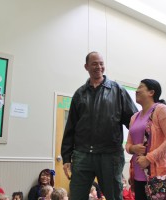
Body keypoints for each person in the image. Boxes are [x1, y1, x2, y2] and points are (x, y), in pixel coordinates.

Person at [61, 52, 137, 200]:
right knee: (76, 196)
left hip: (110, 156)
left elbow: (133, 121)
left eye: (101, 63)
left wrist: (139, 144)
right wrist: (66, 158)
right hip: (82, 155)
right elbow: (70, 127)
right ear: (86, 67)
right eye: (94, 63)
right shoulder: (79, 94)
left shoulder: (117, 91)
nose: (99, 67)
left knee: (114, 196)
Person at [125, 79, 166, 200]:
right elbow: (128, 144)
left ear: (151, 92)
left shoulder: (161, 110)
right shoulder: (134, 117)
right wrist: (133, 148)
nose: (136, 90)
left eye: (141, 87)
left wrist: (149, 158)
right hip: (138, 175)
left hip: (159, 176)